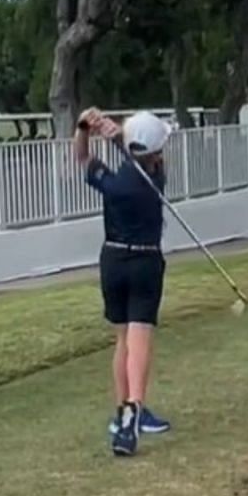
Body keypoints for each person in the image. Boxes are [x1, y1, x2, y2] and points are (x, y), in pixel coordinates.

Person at [73, 107, 176, 457]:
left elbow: (83, 156)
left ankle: (124, 411)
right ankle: (134, 409)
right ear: (155, 152)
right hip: (145, 261)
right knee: (140, 336)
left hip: (112, 260)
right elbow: (142, 155)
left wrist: (84, 128)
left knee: (122, 339)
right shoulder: (155, 176)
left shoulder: (116, 183)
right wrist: (119, 137)